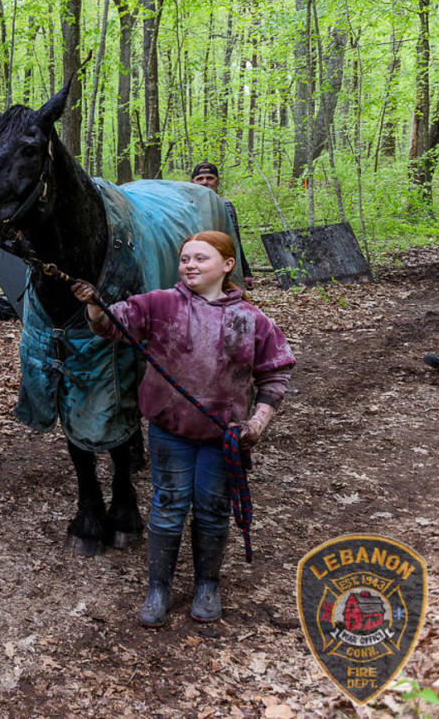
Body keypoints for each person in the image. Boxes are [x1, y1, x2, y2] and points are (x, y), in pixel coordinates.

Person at [71, 231, 295, 627]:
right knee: (168, 508)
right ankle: (159, 588)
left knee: (212, 511)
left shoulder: (251, 319)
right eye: (185, 258)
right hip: (169, 431)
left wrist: (258, 421)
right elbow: (110, 325)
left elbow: (275, 374)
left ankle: (207, 584)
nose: (190, 265)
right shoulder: (159, 305)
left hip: (223, 439)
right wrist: (92, 305)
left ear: (227, 265)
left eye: (201, 259)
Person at [191, 162, 254, 288]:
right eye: (200, 179)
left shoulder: (225, 207)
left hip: (219, 266)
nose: (205, 182)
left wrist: (246, 272)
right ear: (193, 182)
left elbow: (234, 241)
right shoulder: (185, 207)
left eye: (210, 178)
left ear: (217, 181)